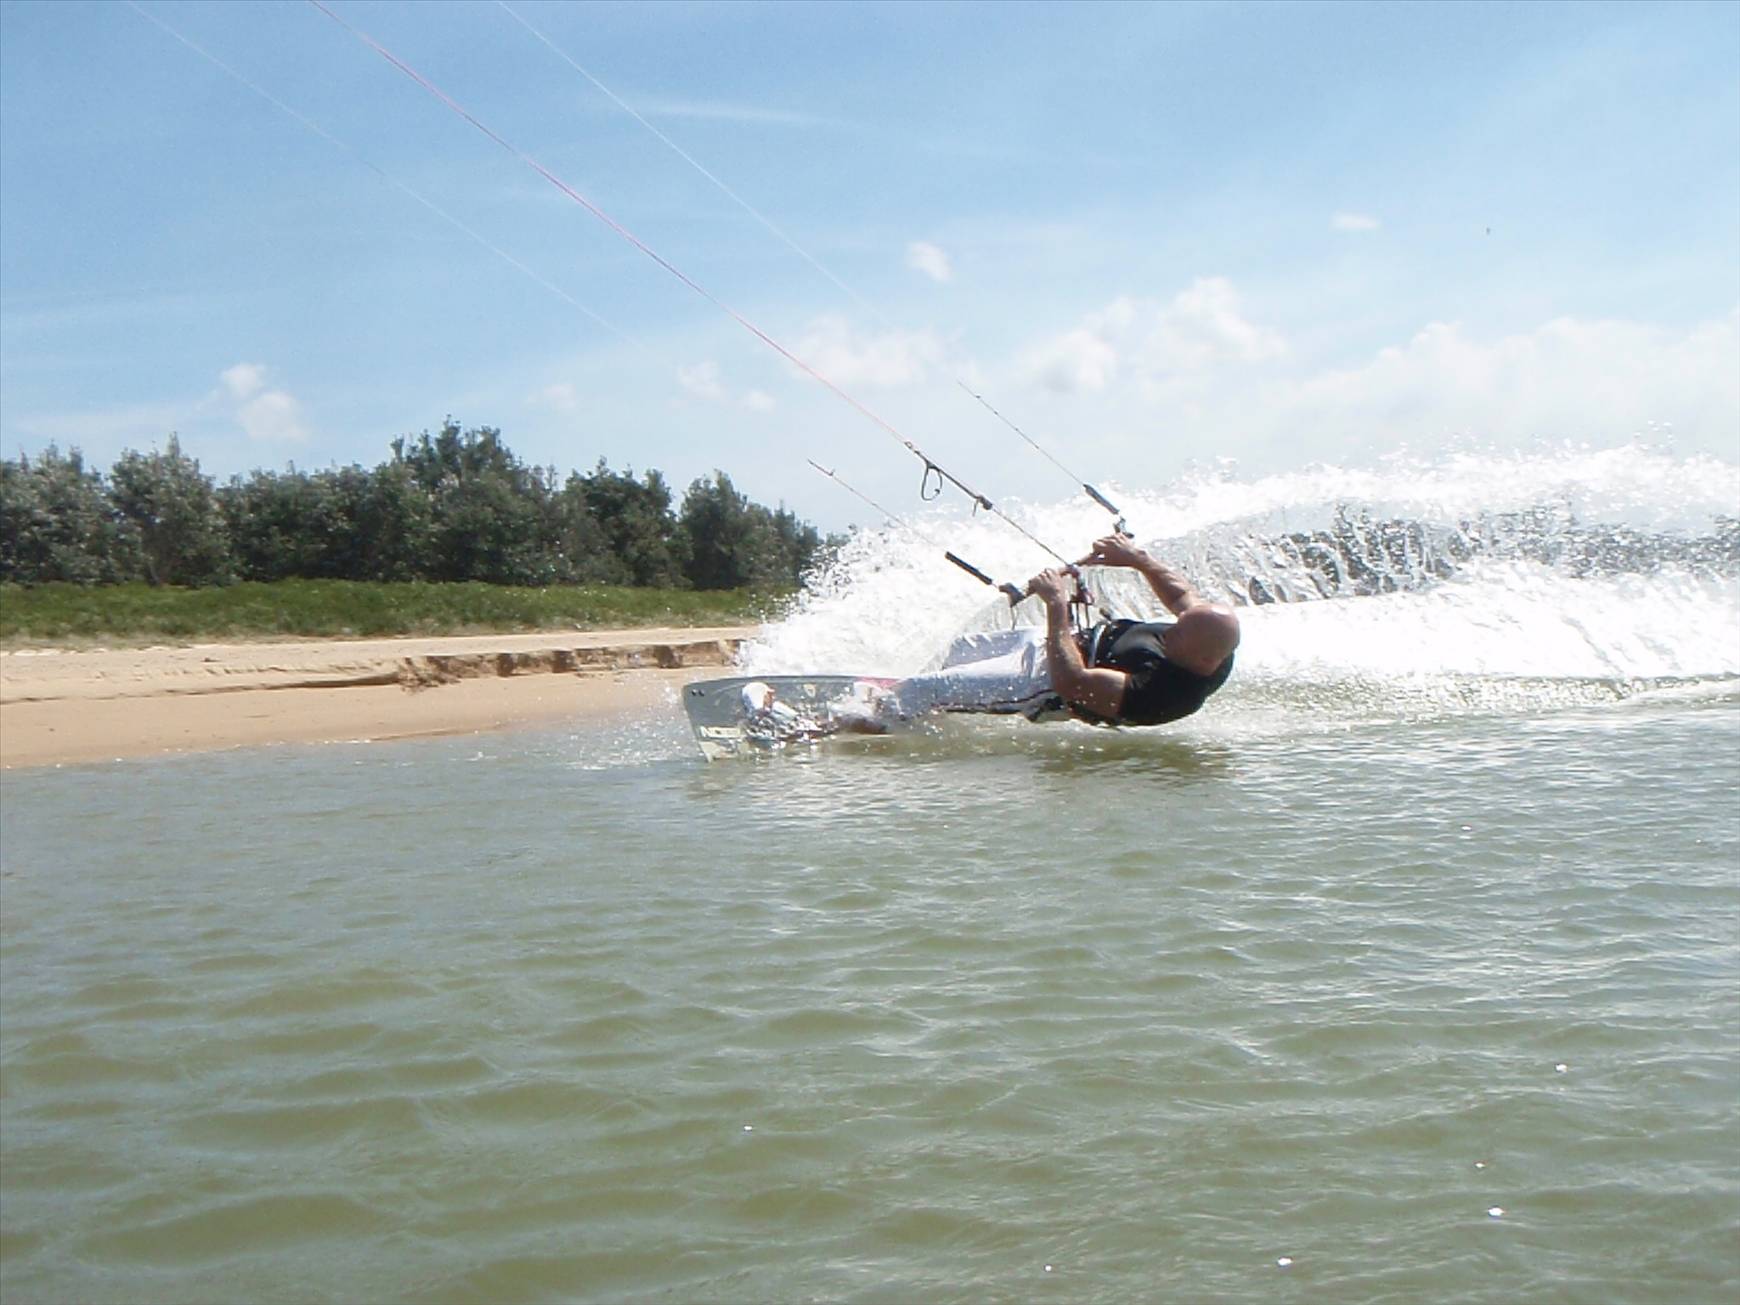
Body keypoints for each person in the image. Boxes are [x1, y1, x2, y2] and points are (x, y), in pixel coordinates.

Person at [883, 535, 1239, 727]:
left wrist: (1057, 604)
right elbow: (1181, 596)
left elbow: (1073, 682)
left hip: (1045, 683)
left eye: (1177, 636)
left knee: (922, 689)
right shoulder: (1208, 633)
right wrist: (1137, 559)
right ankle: (907, 707)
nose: (1168, 633)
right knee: (956, 650)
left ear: (1203, 659)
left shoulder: (1165, 694)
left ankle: (845, 723)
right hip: (1057, 642)